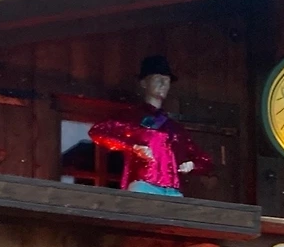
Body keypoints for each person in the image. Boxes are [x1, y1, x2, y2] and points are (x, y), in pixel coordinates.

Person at [88, 54, 213, 197]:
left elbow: (205, 161)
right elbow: (98, 131)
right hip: (143, 185)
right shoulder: (130, 118)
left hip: (173, 191)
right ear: (144, 83)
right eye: (158, 79)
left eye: (167, 81)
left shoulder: (175, 129)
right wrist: (132, 147)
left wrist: (192, 165)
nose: (163, 84)